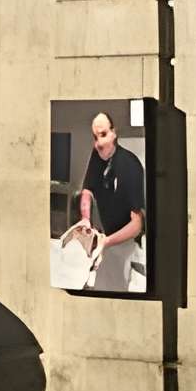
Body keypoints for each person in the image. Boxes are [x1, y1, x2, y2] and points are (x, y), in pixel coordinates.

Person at [68, 109, 147, 294]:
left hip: (125, 239)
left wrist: (107, 242)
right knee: (100, 280)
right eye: (95, 137)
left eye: (103, 135)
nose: (99, 143)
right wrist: (85, 218)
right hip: (106, 234)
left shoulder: (130, 165)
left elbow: (137, 224)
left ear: (114, 133)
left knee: (115, 286)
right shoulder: (97, 156)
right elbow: (87, 190)